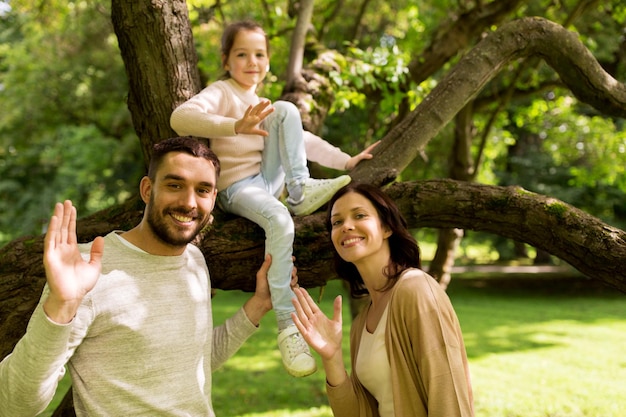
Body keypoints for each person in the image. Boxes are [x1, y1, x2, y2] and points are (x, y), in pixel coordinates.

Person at [0, 136, 286, 417]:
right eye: (175, 185)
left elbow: (192, 363)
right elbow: (15, 406)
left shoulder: (195, 262)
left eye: (202, 190)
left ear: (213, 197)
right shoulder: (86, 272)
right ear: (148, 189)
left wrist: (259, 304)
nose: (189, 202)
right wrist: (60, 305)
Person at [170, 19, 379, 378]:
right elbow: (180, 117)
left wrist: (346, 160)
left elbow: (304, 142)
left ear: (268, 60)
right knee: (280, 220)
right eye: (242, 54)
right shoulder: (223, 93)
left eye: (259, 54)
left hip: (269, 181)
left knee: (286, 111)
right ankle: (287, 327)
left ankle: (300, 188)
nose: (252, 62)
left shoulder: (263, 102)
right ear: (226, 60)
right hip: (237, 188)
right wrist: (235, 125)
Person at [291, 182, 474, 417]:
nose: (346, 226)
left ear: (387, 227)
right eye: (337, 222)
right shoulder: (361, 324)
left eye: (359, 215)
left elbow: (449, 394)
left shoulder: (416, 289)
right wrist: (332, 357)